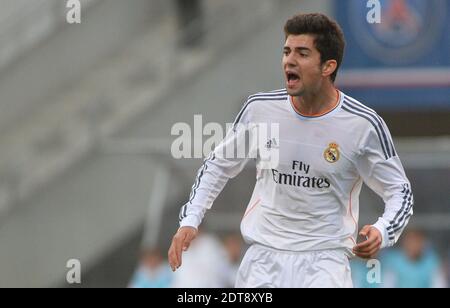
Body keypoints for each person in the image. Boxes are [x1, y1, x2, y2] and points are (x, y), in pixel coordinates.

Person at [168, 13, 413, 288]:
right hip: (263, 260)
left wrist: (382, 231)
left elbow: (400, 192)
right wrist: (191, 219)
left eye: (302, 53)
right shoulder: (260, 109)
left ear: (328, 66)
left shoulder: (363, 125)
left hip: (324, 264)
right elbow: (218, 165)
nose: (290, 60)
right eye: (286, 51)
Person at [381, 229, 446, 288]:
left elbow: (439, 284)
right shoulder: (393, 260)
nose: (414, 244)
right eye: (410, 240)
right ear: (404, 241)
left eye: (417, 240)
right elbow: (387, 284)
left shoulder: (431, 261)